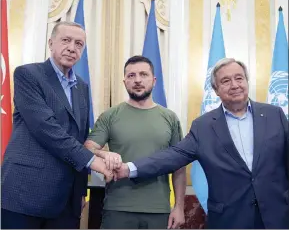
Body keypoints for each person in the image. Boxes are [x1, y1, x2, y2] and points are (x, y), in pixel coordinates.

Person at [115, 58, 289, 229]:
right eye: (226, 81)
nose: (235, 85)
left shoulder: (275, 115)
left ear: (246, 81)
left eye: (239, 78)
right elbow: (172, 156)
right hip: (229, 220)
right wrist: (129, 168)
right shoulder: (204, 126)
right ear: (216, 90)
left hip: (277, 217)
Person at [1, 21, 113, 229]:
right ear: (51, 43)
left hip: (66, 202)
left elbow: (78, 137)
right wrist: (92, 161)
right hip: (24, 193)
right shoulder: (28, 75)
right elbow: (46, 128)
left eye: (79, 44)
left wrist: (79, 192)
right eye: (66, 40)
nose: (72, 47)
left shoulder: (82, 86)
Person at [84, 55, 186, 229]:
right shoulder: (110, 115)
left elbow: (179, 166)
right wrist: (104, 153)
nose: (137, 80)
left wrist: (179, 207)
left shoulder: (170, 118)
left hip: (158, 210)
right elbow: (87, 148)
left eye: (143, 74)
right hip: (117, 208)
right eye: (131, 76)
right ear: (124, 82)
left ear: (154, 80)